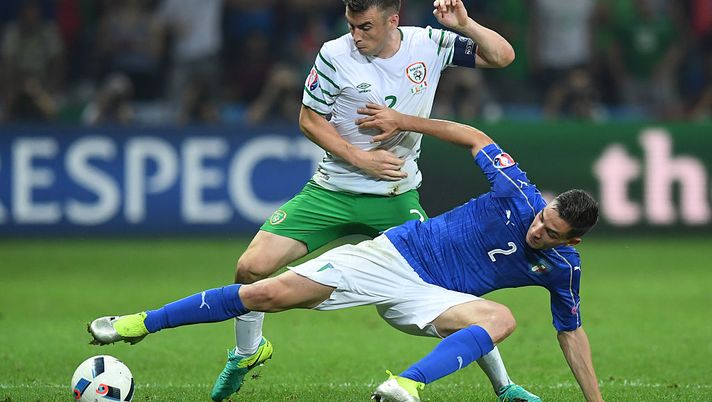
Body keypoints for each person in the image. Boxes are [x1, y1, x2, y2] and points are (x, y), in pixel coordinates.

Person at [88, 108, 603, 402]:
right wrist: (405, 120)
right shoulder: (520, 191)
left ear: (571, 241)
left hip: (435, 300)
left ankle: (404, 387)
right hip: (394, 257)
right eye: (542, 217)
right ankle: (141, 323)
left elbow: (570, 331)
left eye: (550, 230)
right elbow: (473, 136)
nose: (538, 226)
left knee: (500, 317)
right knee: (265, 292)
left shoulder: (564, 268)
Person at [218, 0, 525, 401]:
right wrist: (359, 157)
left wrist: (465, 23)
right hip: (332, 191)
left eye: (364, 27)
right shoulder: (333, 54)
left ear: (392, 20)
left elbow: (502, 56)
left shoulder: (429, 43)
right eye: (351, 25)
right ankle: (247, 351)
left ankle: (504, 387)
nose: (355, 35)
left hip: (395, 196)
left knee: (450, 294)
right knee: (250, 268)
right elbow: (309, 119)